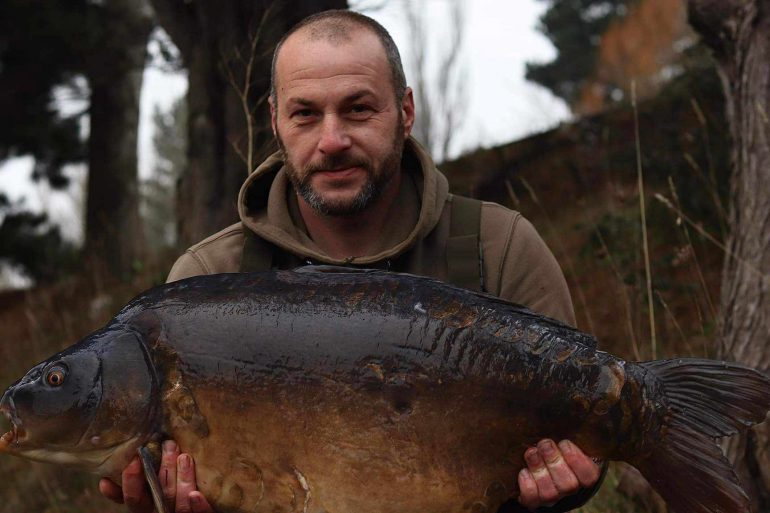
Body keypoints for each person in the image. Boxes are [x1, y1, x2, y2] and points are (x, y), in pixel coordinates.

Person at [100, 9, 604, 513]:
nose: (332, 140)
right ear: (275, 119)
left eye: (358, 109)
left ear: (405, 112)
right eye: (305, 114)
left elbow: (584, 426)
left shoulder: (497, 246)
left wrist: (574, 482)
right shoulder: (206, 280)